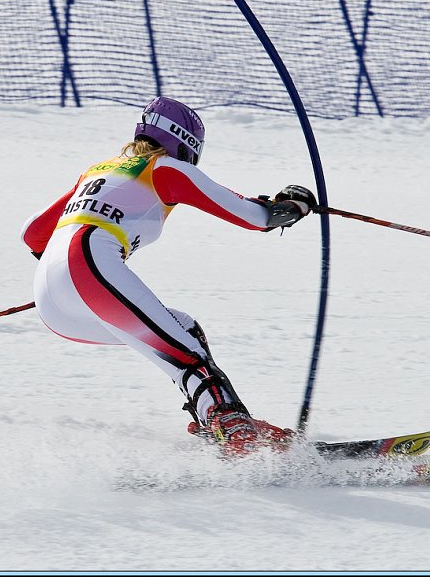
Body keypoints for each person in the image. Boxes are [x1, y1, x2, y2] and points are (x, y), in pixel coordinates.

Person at [21, 96, 316, 455]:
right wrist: (292, 206)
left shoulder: (97, 170)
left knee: (183, 331)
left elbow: (34, 233)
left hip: (52, 303)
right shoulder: (165, 169)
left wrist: (63, 272)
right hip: (86, 268)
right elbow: (256, 217)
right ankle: (238, 435)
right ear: (187, 143)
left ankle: (220, 420)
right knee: (187, 354)